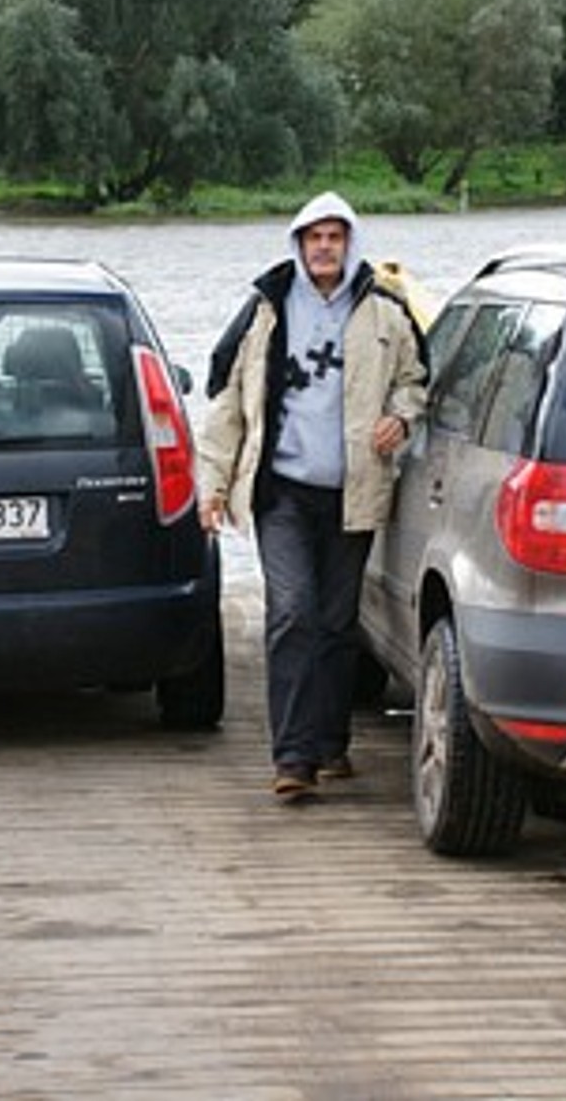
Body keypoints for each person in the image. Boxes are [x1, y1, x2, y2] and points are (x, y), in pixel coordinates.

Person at [198, 192, 428, 801]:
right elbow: (228, 401)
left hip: (354, 491)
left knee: (335, 623)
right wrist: (212, 486)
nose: (324, 247)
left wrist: (401, 419)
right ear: (298, 244)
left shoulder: (385, 309)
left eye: (335, 237)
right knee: (292, 611)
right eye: (313, 237)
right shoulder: (267, 309)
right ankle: (293, 757)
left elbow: (416, 381)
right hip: (282, 492)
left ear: (351, 243)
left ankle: (330, 746)